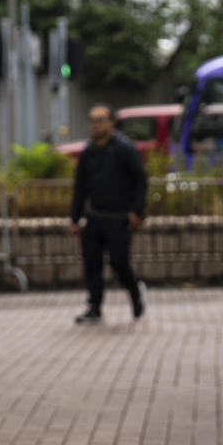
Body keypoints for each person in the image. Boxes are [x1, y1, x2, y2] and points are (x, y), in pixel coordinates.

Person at [70, 103, 148, 324]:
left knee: (118, 263)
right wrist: (75, 219)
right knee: (91, 263)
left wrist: (137, 211)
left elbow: (141, 181)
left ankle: (135, 292)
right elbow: (80, 188)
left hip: (119, 217)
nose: (95, 125)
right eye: (92, 120)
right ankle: (94, 306)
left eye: (100, 120)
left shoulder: (124, 149)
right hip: (94, 216)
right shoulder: (87, 152)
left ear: (111, 123)